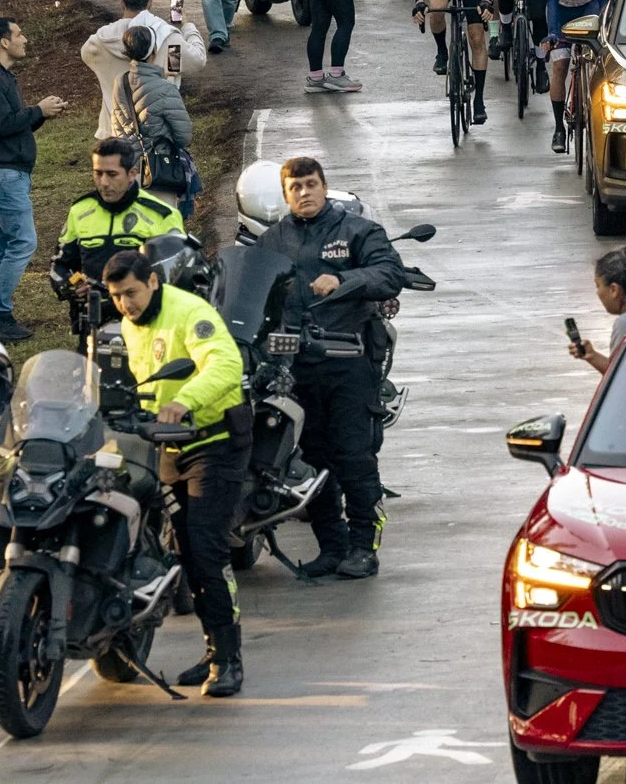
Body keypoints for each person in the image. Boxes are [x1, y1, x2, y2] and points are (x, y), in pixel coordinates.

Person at [101, 245, 247, 696]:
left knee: (206, 552)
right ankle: (208, 650)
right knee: (182, 553)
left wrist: (186, 401)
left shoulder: (190, 313)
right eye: (117, 296)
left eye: (132, 293)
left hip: (215, 441)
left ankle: (228, 658)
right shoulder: (128, 323)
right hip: (168, 445)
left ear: (154, 282)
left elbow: (225, 364)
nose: (126, 304)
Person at [265, 157, 402, 578]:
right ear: (285, 194)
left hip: (348, 362)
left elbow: (389, 273)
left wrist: (344, 282)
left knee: (353, 457)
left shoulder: (357, 231)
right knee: (311, 458)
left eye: (310, 184)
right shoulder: (272, 240)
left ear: (325, 186)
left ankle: (364, 546)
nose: (304, 193)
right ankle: (332, 545)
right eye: (295, 187)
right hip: (294, 367)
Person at [0, 17, 66, 342]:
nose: (25, 39)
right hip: (2, 174)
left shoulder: (1, 77)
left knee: (6, 244)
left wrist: (40, 114)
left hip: (9, 173)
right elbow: (2, 124)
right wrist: (37, 109)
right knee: (24, 242)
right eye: (19, 34)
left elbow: (13, 126)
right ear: (4, 42)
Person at [54, 137, 183, 340]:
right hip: (92, 326)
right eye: (98, 174)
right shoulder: (79, 210)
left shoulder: (162, 215)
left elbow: (178, 274)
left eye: (112, 174)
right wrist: (70, 285)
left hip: (146, 326)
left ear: (132, 174)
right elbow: (59, 266)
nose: (104, 183)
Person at [80, 0, 204, 136]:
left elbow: (86, 54)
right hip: (155, 133)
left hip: (113, 132)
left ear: (122, 4)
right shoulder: (167, 37)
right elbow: (195, 61)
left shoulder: (101, 39)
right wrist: (186, 26)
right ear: (150, 3)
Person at [110, 26, 197, 219]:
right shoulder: (166, 88)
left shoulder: (120, 82)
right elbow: (184, 136)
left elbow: (117, 126)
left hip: (128, 170)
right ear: (155, 51)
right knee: (163, 231)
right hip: (159, 172)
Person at [543, 0, 611, 150]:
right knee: (560, 66)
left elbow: (603, 1)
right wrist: (553, 32)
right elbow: (551, 1)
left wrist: (605, 30)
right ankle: (558, 129)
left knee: (597, 61)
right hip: (561, 13)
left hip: (588, 9)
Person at [565, 242, 626, 373]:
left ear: (614, 290)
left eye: (598, 285)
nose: (597, 292)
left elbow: (618, 378)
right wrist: (592, 356)